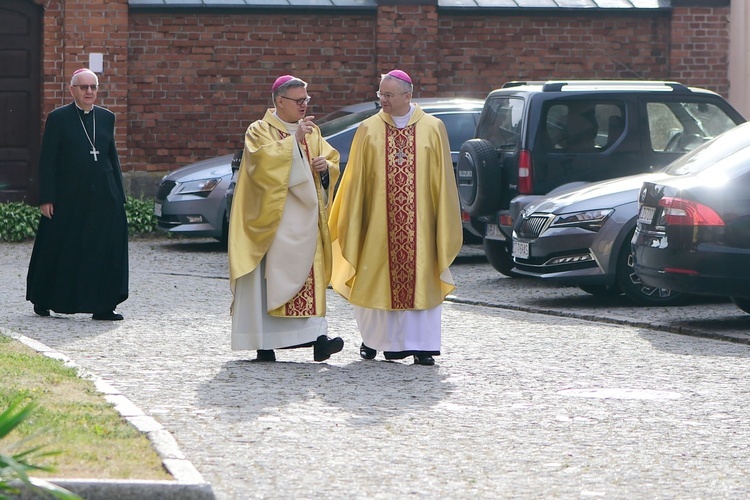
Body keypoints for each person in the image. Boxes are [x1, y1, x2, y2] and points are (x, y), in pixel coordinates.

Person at [328, 69, 463, 366]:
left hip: (421, 226)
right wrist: (354, 218)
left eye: (388, 95)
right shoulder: (368, 128)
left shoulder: (433, 127)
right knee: (376, 278)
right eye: (380, 94)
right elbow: (356, 180)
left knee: (422, 279)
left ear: (407, 96)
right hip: (378, 224)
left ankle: (423, 345)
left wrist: (443, 220)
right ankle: (377, 341)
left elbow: (442, 180)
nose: (382, 101)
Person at [228, 75, 343, 362]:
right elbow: (261, 166)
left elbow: (331, 160)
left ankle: (318, 340)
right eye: (299, 100)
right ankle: (265, 342)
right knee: (268, 281)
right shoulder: (259, 130)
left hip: (306, 220)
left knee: (310, 274)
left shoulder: (313, 131)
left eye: (307, 100)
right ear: (280, 101)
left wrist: (325, 166)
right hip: (273, 221)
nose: (304, 105)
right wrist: (295, 142)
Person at [26, 68, 129, 321]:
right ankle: (44, 297)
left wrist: (120, 198)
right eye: (83, 87)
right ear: (72, 90)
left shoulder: (106, 118)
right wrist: (46, 197)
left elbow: (111, 157)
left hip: (103, 197)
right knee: (60, 247)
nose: (89, 92)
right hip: (68, 198)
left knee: (104, 249)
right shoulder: (58, 118)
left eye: (93, 87)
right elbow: (48, 161)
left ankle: (104, 305)